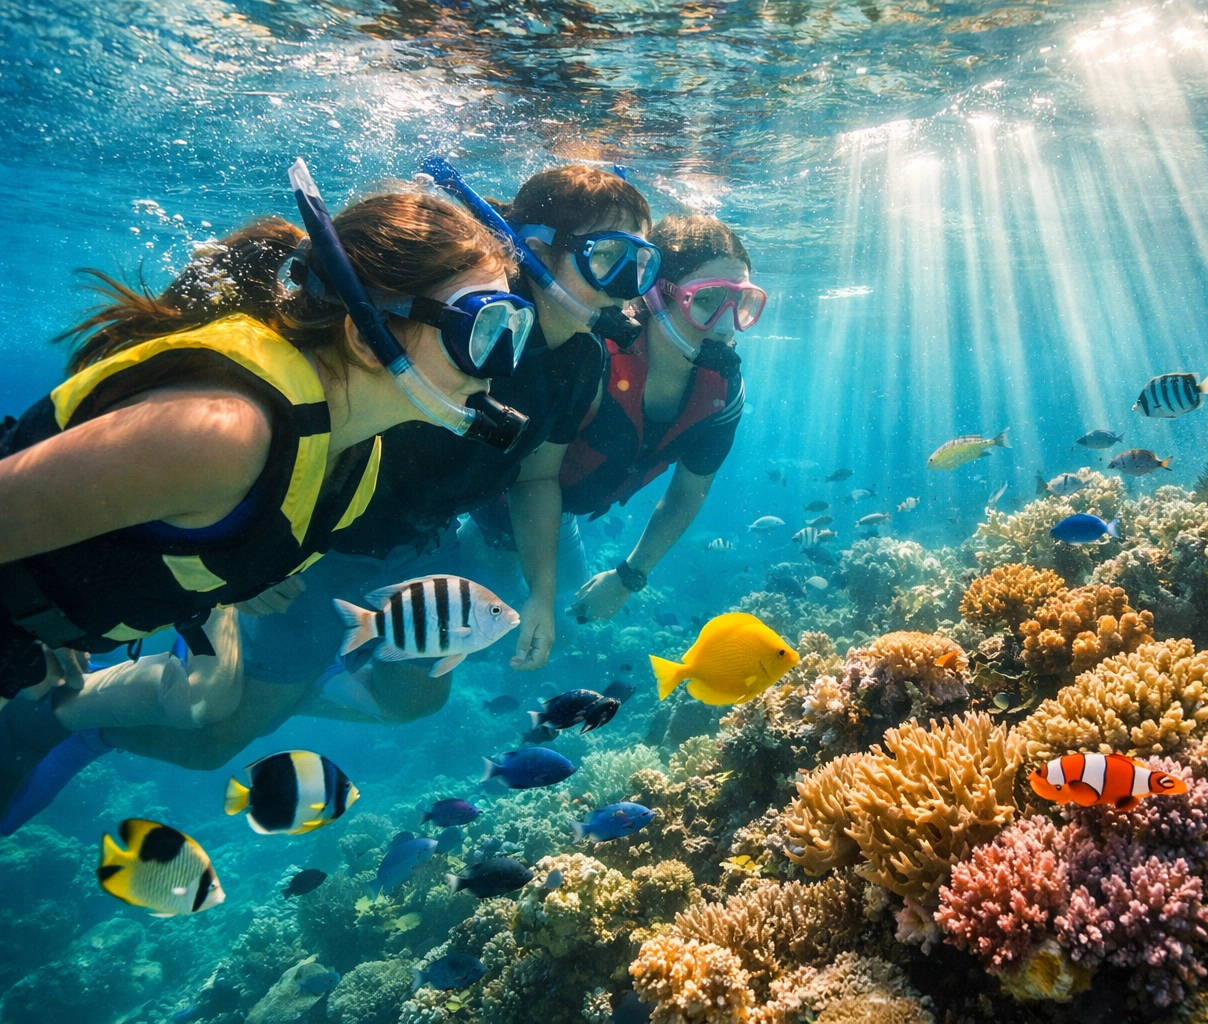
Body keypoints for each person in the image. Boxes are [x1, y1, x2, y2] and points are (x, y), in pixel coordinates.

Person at [0, 164, 523, 822]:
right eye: (482, 329)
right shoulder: (223, 433)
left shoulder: (353, 458)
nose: (504, 362)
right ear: (369, 337)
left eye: (515, 330)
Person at [101, 162, 656, 769]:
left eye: (642, 263)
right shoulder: (460, 326)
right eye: (609, 257)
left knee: (416, 699)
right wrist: (253, 553)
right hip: (316, 546)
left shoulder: (581, 357)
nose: (628, 285)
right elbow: (313, 419)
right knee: (214, 744)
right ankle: (104, 719)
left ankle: (287, 684)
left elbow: (537, 476)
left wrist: (542, 595)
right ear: (538, 248)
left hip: (421, 547)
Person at [480, 215, 765, 622]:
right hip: (494, 509)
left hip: (559, 518)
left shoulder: (725, 393)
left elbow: (688, 493)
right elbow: (533, 480)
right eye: (707, 300)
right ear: (655, 295)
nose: (725, 325)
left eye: (743, 303)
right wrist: (541, 591)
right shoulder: (592, 358)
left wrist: (629, 576)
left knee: (567, 625)